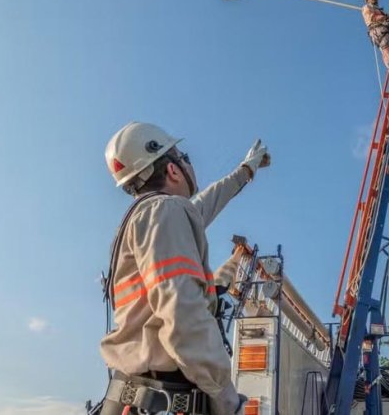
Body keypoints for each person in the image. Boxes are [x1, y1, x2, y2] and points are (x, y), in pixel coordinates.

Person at [99, 122, 270, 415]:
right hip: (163, 399)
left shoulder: (149, 217)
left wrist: (246, 170)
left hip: (136, 396)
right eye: (185, 157)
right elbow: (181, 314)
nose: (190, 164)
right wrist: (226, 400)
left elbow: (205, 203)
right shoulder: (166, 212)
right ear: (173, 170)